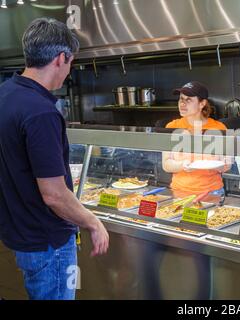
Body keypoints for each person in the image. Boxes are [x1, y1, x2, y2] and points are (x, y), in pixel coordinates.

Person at [0, 18, 109, 300]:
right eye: (71, 62)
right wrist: (92, 222)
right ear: (62, 58)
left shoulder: (5, 95)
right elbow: (54, 195)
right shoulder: (41, 112)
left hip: (19, 233)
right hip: (48, 242)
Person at [162, 81, 230, 196]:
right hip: (180, 192)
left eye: (188, 100)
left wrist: (214, 164)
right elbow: (166, 164)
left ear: (202, 103)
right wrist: (182, 165)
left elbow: (227, 165)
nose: (182, 104)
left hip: (212, 192)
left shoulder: (219, 128)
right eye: (181, 99)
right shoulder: (172, 127)